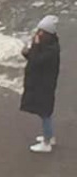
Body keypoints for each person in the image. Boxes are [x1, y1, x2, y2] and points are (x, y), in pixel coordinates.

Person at [20, 15, 60, 153]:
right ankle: (49, 136)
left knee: (45, 113)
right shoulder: (49, 45)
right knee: (45, 112)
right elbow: (34, 59)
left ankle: (47, 143)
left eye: (41, 31)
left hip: (44, 86)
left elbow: (36, 62)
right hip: (44, 85)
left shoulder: (50, 49)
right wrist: (27, 53)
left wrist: (35, 46)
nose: (38, 33)